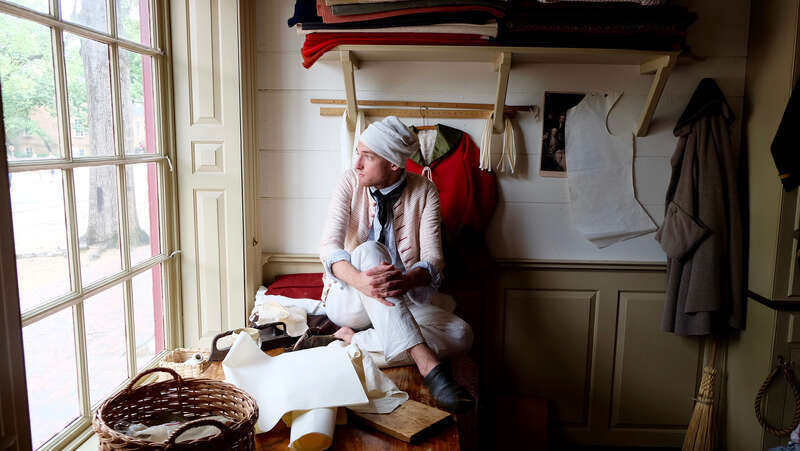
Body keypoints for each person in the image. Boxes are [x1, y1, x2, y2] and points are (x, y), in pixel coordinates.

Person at [319, 116, 475, 413]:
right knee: (368, 251)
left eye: (367, 156)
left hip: (400, 297)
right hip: (349, 296)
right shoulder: (348, 182)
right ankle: (430, 367)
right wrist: (361, 281)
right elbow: (328, 248)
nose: (357, 164)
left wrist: (404, 282)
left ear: (393, 164)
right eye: (358, 154)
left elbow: (434, 259)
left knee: (461, 334)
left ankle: (354, 343)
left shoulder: (424, 189)